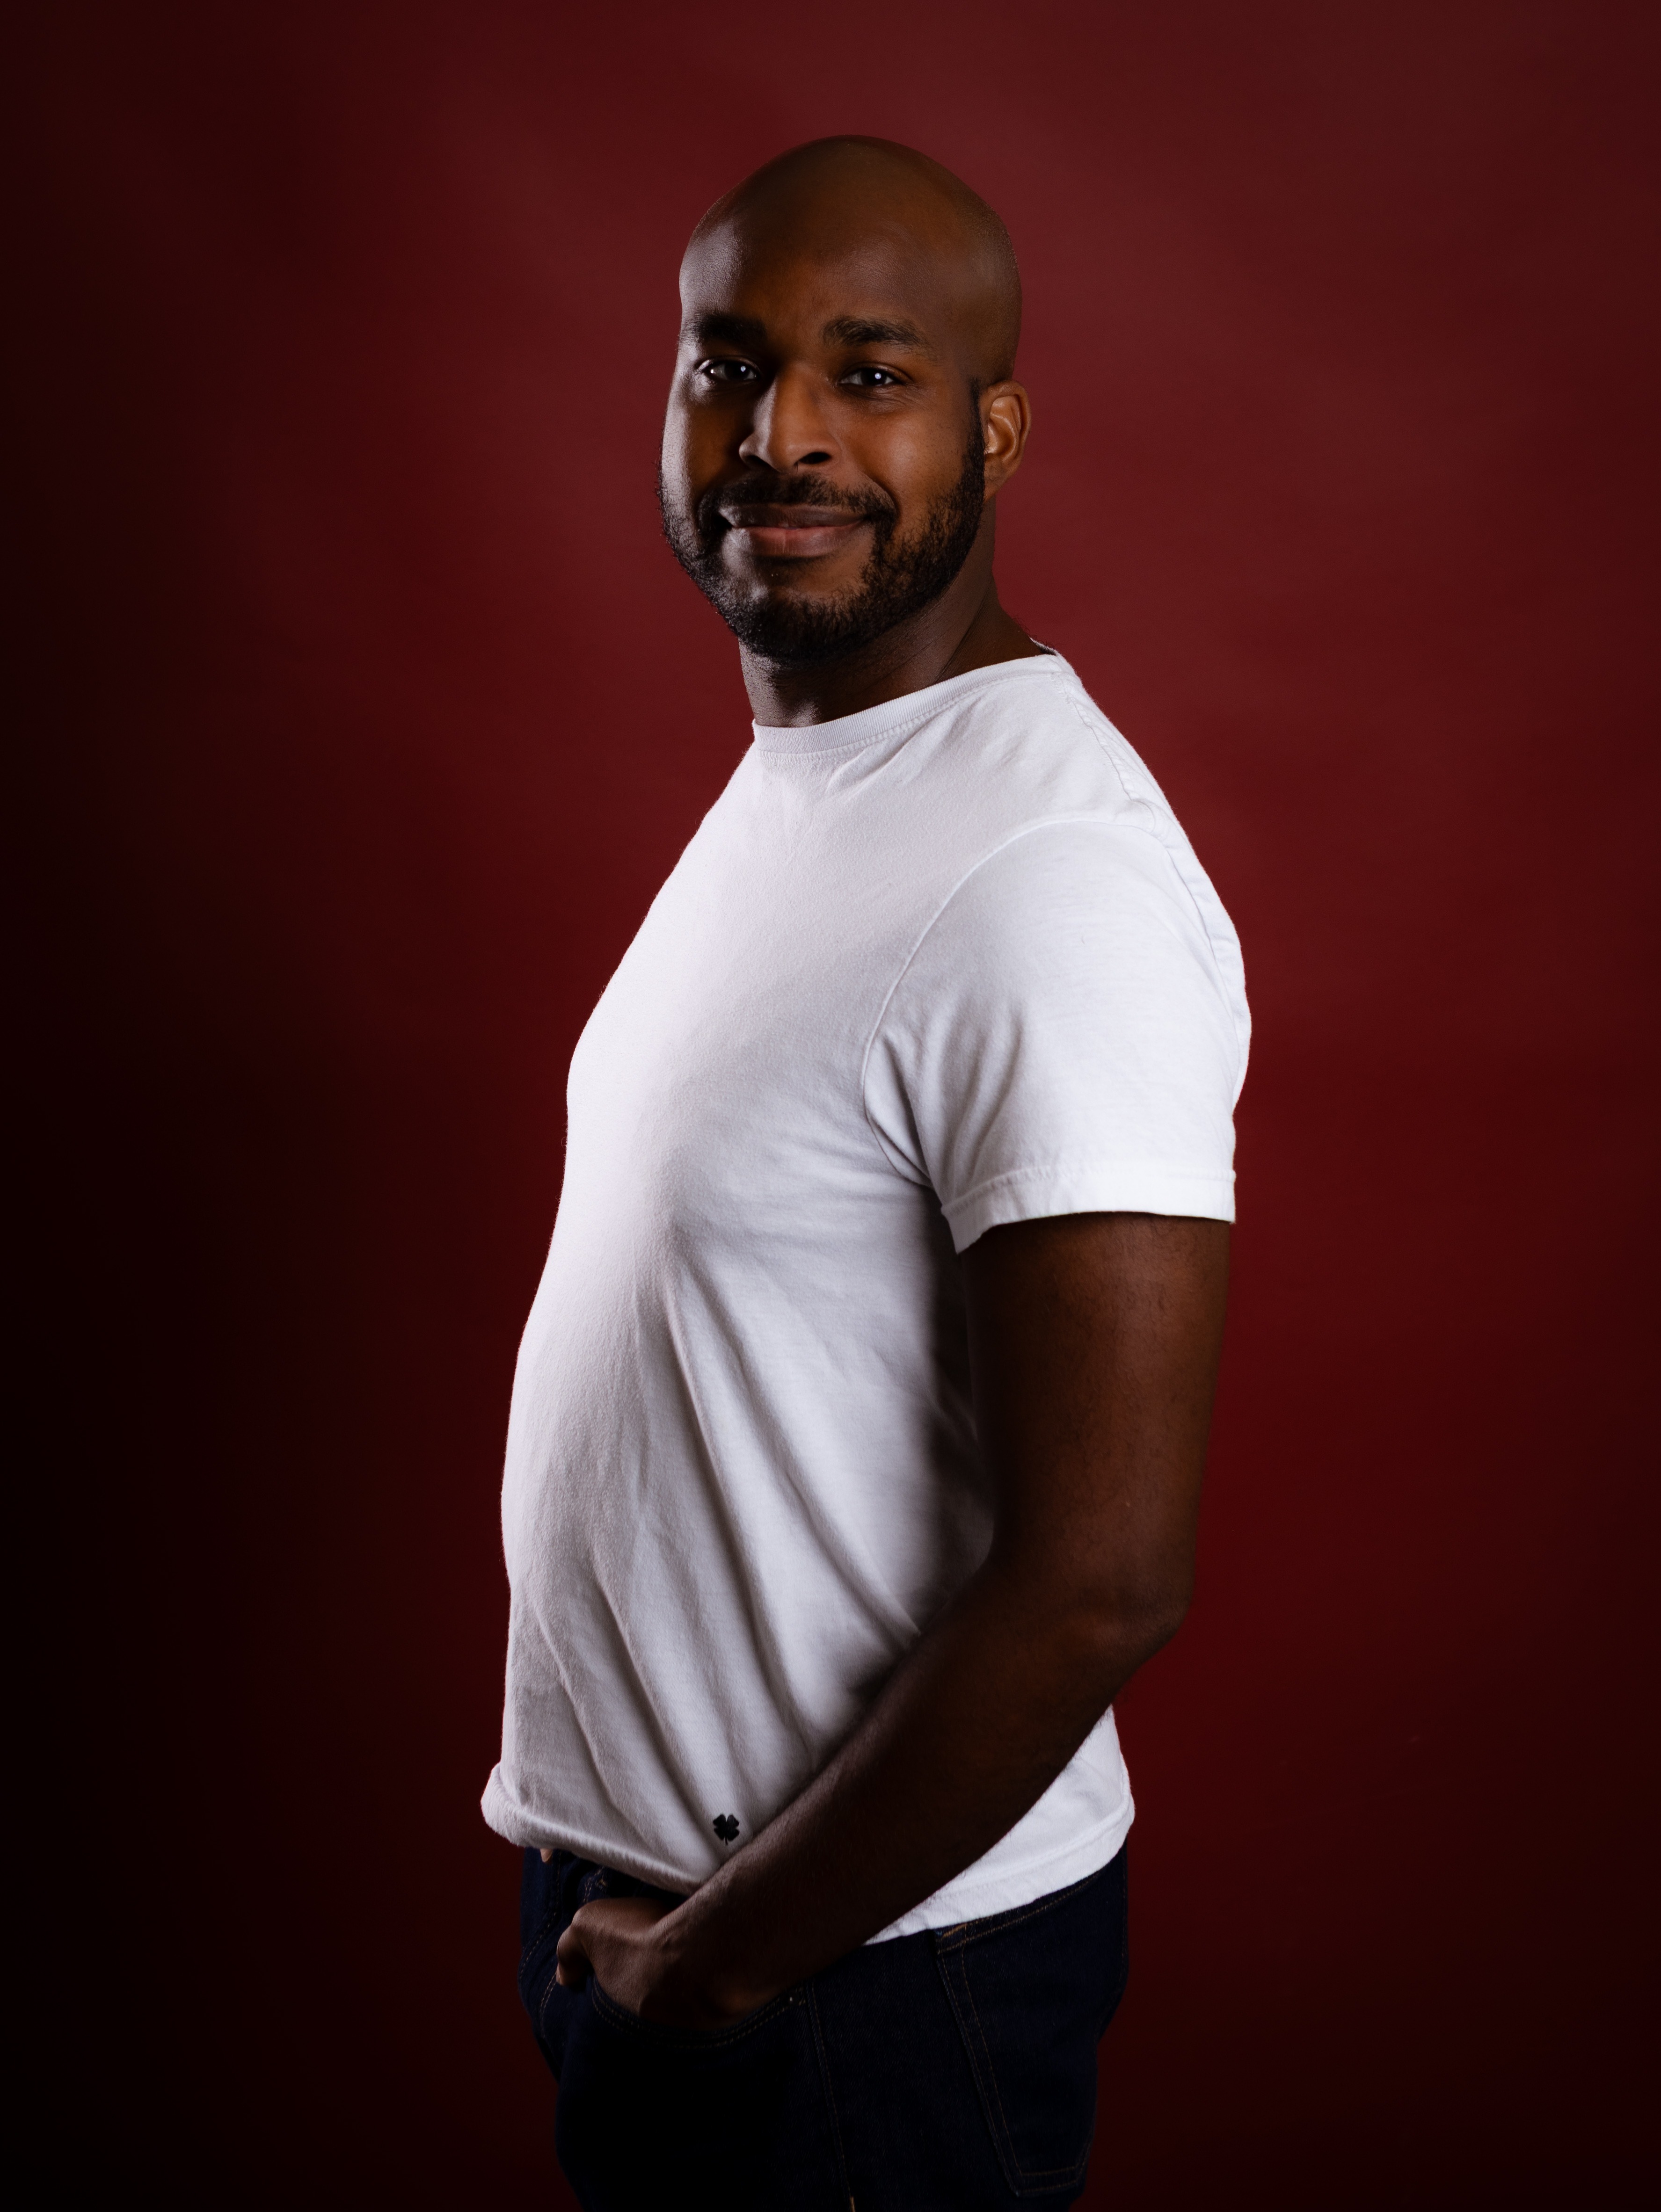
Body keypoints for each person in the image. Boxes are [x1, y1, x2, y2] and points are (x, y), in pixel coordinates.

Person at [485, 135, 1248, 2210]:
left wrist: (727, 1964)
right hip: (679, 1927)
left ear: (995, 429)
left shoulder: (1049, 875)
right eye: (729, 365)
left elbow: (1104, 1570)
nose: (782, 435)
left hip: (859, 1991)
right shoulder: (825, 770)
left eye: (873, 373)